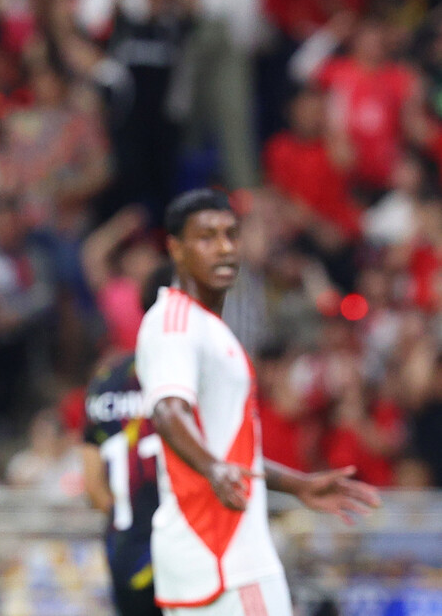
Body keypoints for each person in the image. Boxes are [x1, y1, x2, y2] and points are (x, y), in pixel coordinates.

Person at [135, 188, 380, 615]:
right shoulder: (175, 322)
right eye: (207, 237)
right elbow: (168, 411)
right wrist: (213, 468)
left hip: (217, 555)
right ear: (175, 248)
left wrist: (296, 484)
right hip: (224, 555)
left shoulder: (210, 328)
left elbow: (228, 447)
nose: (225, 248)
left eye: (232, 235)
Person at [82, 351, 162, 616]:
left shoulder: (104, 384)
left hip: (125, 546)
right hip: (181, 538)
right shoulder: (175, 375)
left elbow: (93, 484)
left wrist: (123, 518)